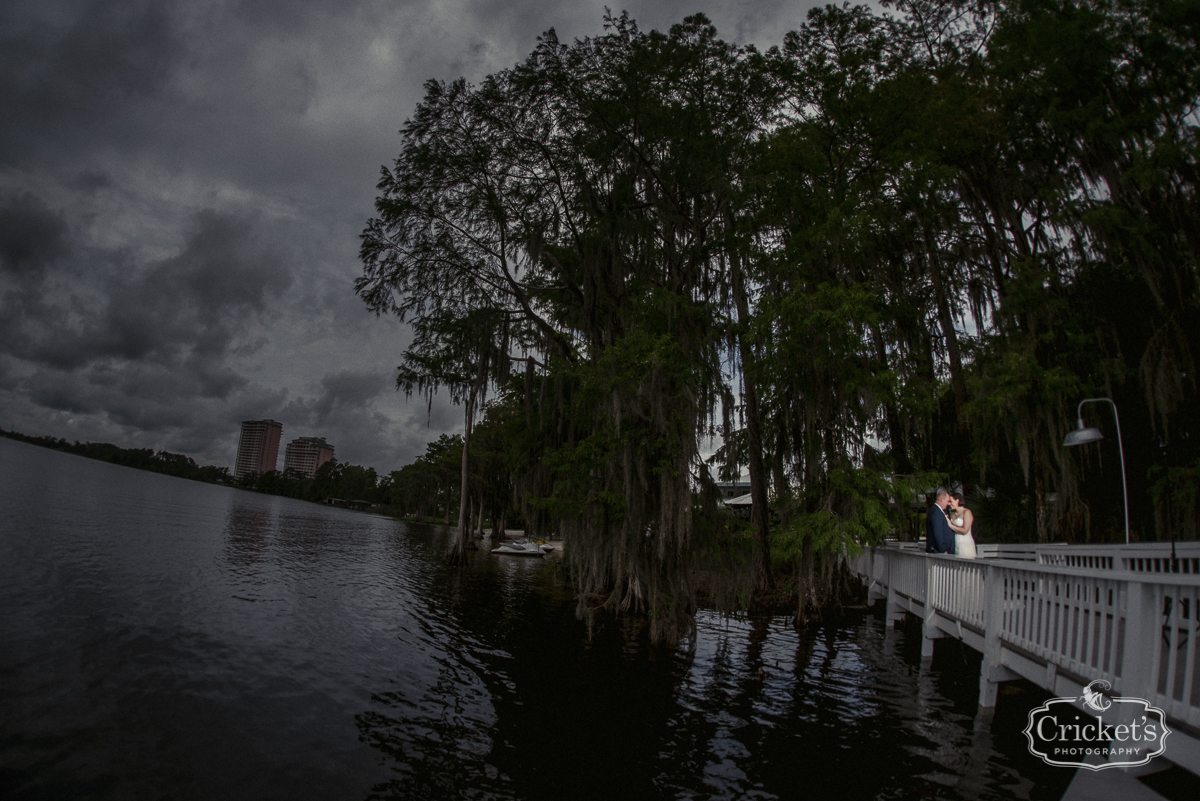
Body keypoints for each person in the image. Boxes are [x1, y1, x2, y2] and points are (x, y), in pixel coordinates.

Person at [924, 490, 956, 554]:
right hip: (939, 551)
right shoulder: (936, 512)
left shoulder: (936, 510)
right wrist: (943, 550)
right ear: (941, 500)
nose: (948, 504)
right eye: (947, 501)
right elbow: (938, 532)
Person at [948, 492, 977, 559]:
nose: (949, 504)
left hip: (966, 544)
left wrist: (951, 526)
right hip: (956, 544)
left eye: (951, 501)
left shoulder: (966, 512)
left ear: (957, 500)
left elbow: (965, 530)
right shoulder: (953, 514)